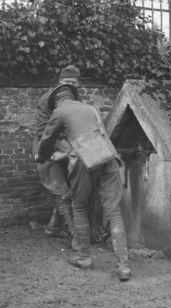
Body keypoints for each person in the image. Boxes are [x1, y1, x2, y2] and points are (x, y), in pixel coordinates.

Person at [35, 84, 132, 281]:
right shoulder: (90, 109)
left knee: (79, 207)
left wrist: (41, 157)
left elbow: (46, 140)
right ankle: (123, 266)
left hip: (84, 160)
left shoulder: (59, 112)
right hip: (108, 156)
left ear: (56, 101)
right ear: (73, 96)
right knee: (114, 212)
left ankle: (84, 257)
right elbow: (102, 134)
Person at [33, 65, 81, 244]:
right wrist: (64, 145)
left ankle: (53, 227)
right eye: (66, 82)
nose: (69, 85)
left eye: (73, 83)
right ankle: (75, 237)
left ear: (78, 85)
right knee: (61, 190)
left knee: (71, 188)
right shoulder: (47, 100)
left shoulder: (78, 102)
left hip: (68, 149)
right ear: (59, 83)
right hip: (47, 149)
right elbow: (41, 130)